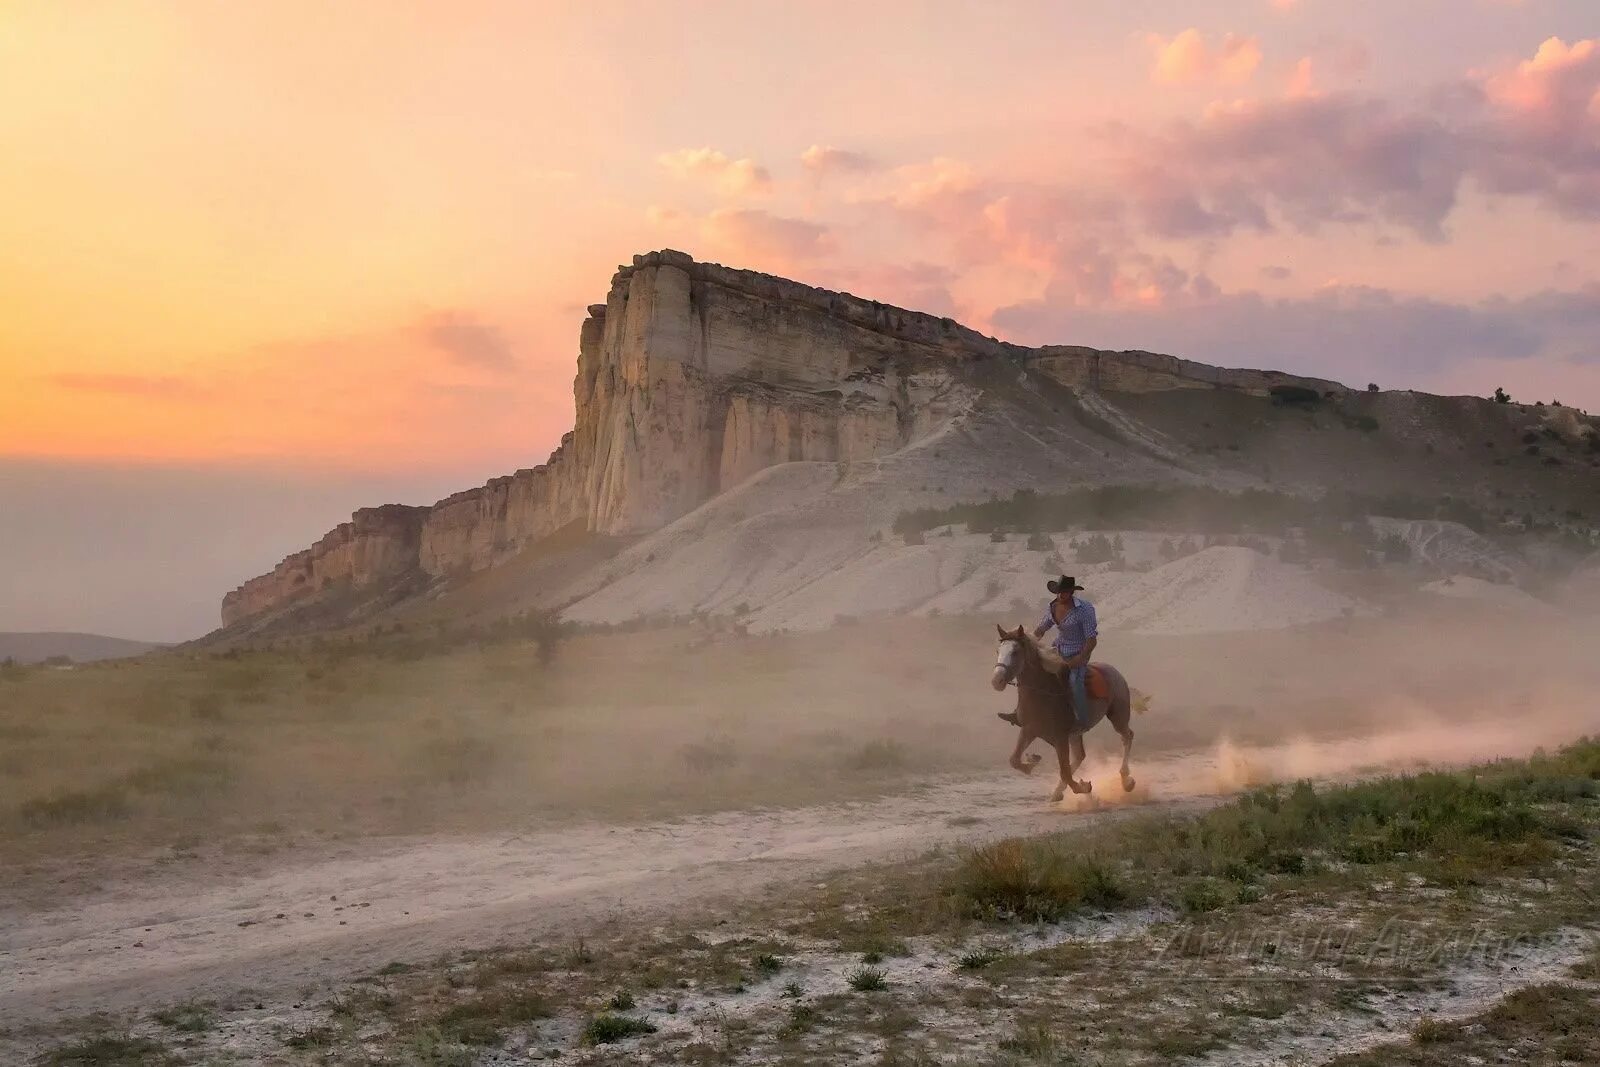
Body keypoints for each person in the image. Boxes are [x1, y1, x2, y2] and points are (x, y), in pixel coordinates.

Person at [1034, 575, 1097, 727]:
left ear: (1071, 592)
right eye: (1059, 592)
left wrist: (1080, 658)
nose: (1061, 595)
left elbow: (1091, 640)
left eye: (1065, 592)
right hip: (1058, 650)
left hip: (1078, 652)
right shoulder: (1053, 607)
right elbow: (1042, 628)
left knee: (1075, 683)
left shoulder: (1084, 610)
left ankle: (1081, 721)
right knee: (1035, 676)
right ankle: (1027, 713)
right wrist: (1030, 641)